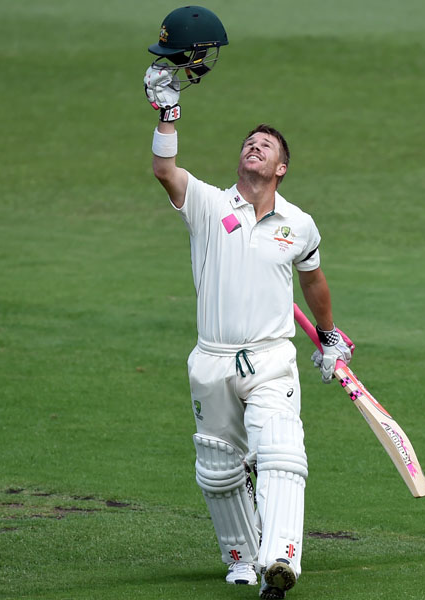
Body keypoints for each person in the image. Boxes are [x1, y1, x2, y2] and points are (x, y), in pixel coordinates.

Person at [145, 64, 352, 600]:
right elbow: (165, 171)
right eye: (249, 143)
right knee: (219, 469)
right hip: (211, 361)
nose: (254, 147)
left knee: (281, 451)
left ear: (282, 167)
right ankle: (240, 556)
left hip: (270, 359)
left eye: (265, 146)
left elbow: (314, 283)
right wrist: (168, 115)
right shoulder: (211, 206)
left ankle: (279, 559)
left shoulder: (298, 225)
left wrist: (330, 337)